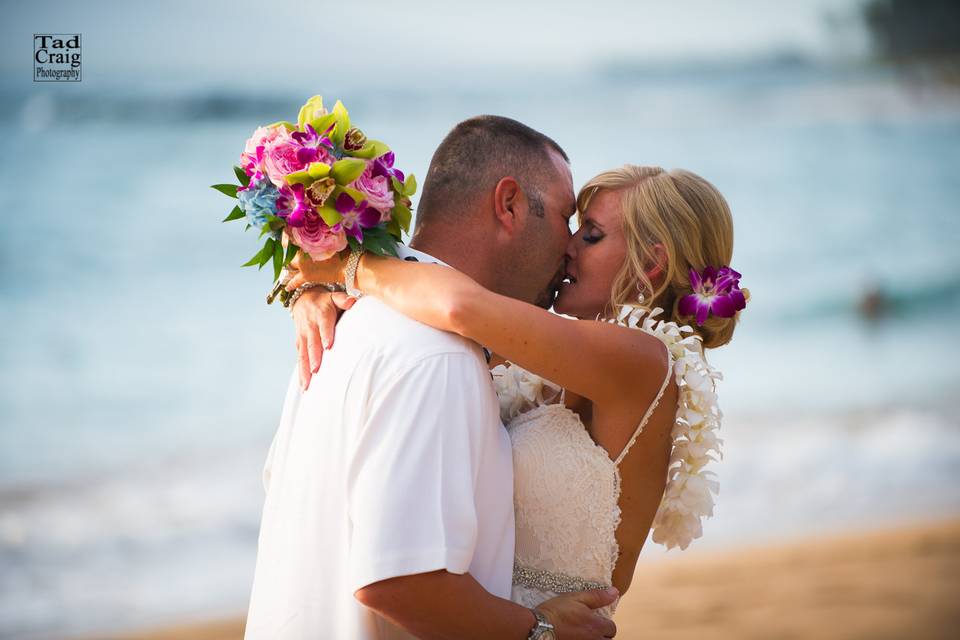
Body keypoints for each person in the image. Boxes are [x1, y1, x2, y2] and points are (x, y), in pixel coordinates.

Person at [287, 164, 744, 620]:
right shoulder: (574, 358)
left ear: (650, 262)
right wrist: (312, 292)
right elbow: (436, 323)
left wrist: (345, 264)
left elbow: (459, 305)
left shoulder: (640, 359)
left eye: (591, 235)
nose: (567, 248)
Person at [244, 116, 619, 640]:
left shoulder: (347, 323)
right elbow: (399, 579)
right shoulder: (436, 354)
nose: (569, 246)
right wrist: (539, 630)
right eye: (564, 217)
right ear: (509, 204)